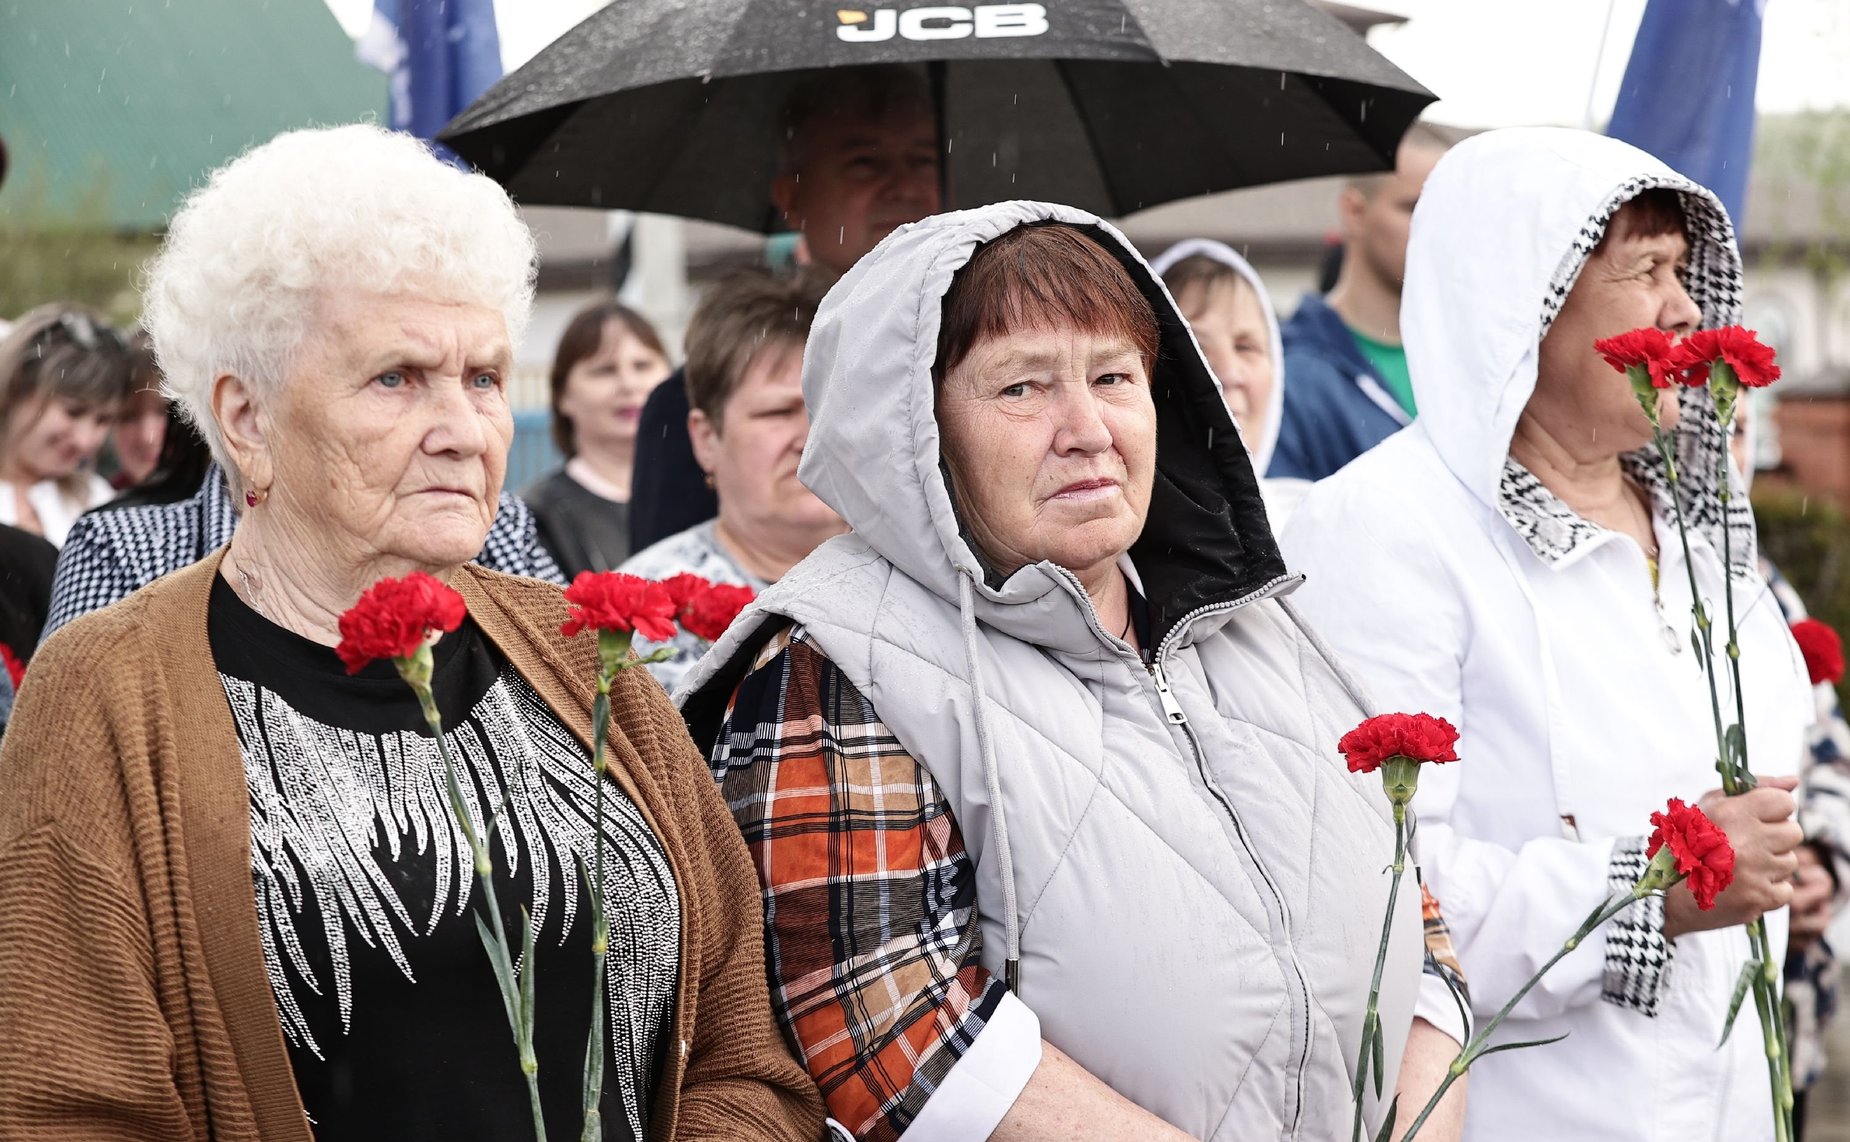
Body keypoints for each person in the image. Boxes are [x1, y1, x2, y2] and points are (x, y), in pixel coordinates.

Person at [0, 123, 824, 1141]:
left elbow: (743, 1042)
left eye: (482, 377)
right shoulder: (106, 690)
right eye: (396, 377)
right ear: (246, 418)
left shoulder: (573, 649)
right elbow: (65, 1103)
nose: (464, 428)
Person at [677, 206, 1469, 1140]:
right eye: (1021, 388)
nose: (1087, 428)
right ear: (916, 434)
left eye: (1114, 377)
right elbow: (878, 1025)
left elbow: (1412, 921)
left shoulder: (1263, 622)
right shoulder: (837, 657)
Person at [1282, 128, 1815, 1140]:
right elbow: (1379, 899)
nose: (1684, 309)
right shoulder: (1382, 531)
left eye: (1683, 270)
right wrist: (1656, 885)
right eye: (1645, 270)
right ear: (1522, 303)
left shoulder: (1698, 533)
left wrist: (1794, 857)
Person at [628, 64, 940, 552]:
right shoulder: (693, 401)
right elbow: (669, 609)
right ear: (792, 198)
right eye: (864, 162)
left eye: (922, 159)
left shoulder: (976, 367)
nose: (902, 186)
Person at [619, 270, 842, 692]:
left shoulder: (927, 580)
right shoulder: (640, 615)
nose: (809, 439)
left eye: (827, 409)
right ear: (706, 438)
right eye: (778, 413)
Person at [1271, 124, 1450, 482]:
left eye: (1448, 209)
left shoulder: (1472, 358)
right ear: (1354, 212)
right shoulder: (1286, 373)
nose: (1437, 225)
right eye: (1415, 206)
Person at [1149, 238, 1310, 523]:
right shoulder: (1112, 549)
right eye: (1196, 347)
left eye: (1245, 347)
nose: (1228, 375)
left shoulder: (1313, 522)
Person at [524, 301, 673, 577]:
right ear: (563, 396)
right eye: (605, 370)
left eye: (642, 366)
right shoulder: (534, 521)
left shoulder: (711, 500)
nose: (629, 384)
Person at [0, 305, 136, 545]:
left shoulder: (99, 501)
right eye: (73, 412)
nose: (85, 440)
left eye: (103, 420)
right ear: (17, 388)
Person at [108, 331, 170, 490]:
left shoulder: (237, 507)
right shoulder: (96, 504)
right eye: (128, 417)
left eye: (167, 411)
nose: (147, 437)